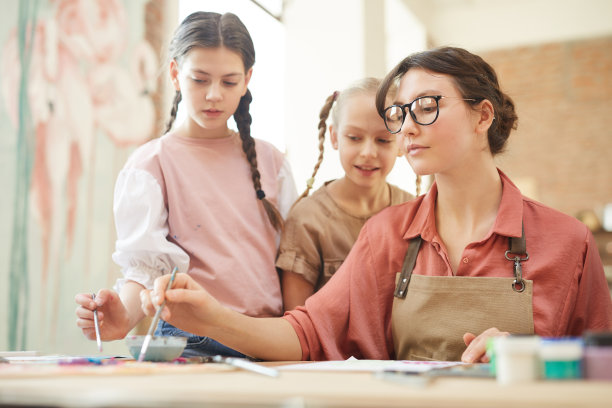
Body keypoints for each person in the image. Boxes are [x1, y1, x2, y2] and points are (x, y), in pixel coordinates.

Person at [139, 46, 612, 363]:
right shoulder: (385, 236)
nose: (407, 126)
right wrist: (209, 317)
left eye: (426, 106)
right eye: (399, 113)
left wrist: (532, 357)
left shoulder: (567, 241)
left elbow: (603, 363)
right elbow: (304, 334)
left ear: (482, 115)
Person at [74, 11, 297, 357]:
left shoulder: (273, 163)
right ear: (176, 74)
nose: (213, 95)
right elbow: (146, 269)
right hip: (188, 344)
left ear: (247, 79)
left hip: (265, 338)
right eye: (200, 79)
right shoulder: (150, 164)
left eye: (228, 82)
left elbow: (294, 265)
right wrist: (124, 317)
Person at [278, 78, 413, 310]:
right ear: (334, 137)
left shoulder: (414, 211)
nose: (368, 152)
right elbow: (295, 323)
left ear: (401, 142)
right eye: (354, 138)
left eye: (383, 140)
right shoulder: (308, 219)